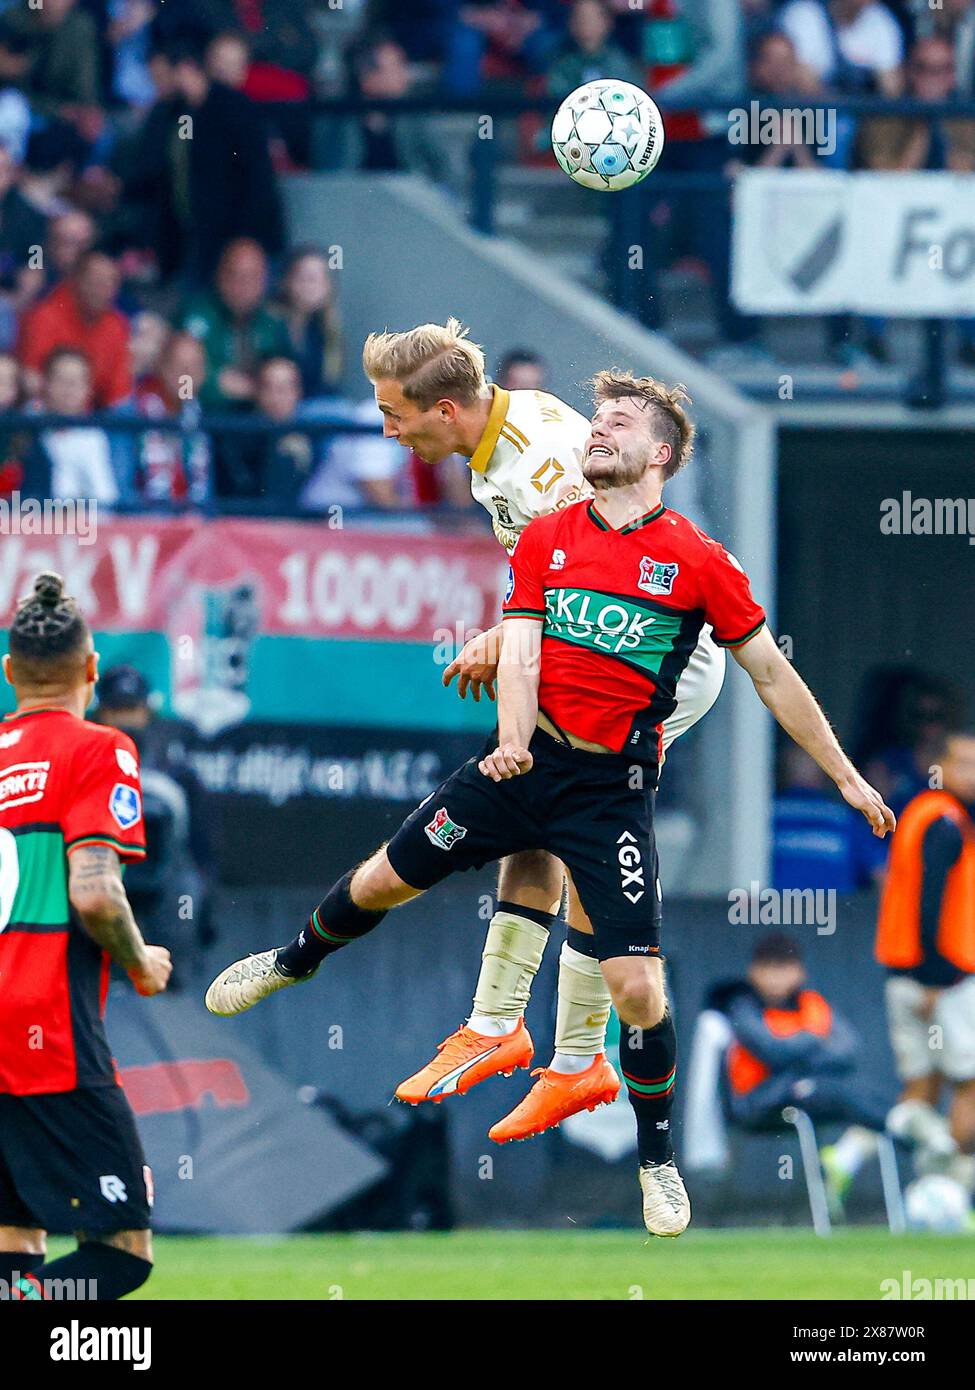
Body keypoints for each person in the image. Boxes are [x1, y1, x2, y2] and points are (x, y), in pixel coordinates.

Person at [205, 371, 895, 1236]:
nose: (597, 432)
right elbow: (522, 649)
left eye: (618, 425)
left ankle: (654, 1161)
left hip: (609, 792)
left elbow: (771, 673)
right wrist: (511, 738)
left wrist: (843, 775)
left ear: (662, 454)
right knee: (383, 880)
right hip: (526, 766)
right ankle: (293, 962)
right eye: (596, 420)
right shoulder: (545, 537)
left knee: (640, 989)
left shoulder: (697, 560)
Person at [354, 320, 723, 1146]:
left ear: (443, 410)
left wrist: (505, 633)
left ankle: (570, 1056)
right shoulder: (499, 444)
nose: (388, 431)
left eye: (392, 413)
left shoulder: (540, 457)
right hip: (579, 648)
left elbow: (612, 562)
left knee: (570, 814)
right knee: (536, 813)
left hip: (650, 662)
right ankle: (523, 1038)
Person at [0, 571, 172, 1301]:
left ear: (10, 673)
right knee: (122, 1250)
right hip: (44, 1025)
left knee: (14, 1240)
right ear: (92, 671)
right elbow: (97, 894)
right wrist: (139, 961)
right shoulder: (98, 749)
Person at [721, 932, 893, 1213]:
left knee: (856, 1094)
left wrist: (798, 1053)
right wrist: (813, 1038)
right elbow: (773, 1051)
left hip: (806, 1091)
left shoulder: (812, 1004)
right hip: (760, 1101)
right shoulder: (743, 1007)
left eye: (784, 968)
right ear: (754, 972)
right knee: (836, 1093)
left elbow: (846, 1051)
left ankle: (864, 1143)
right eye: (768, 969)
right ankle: (896, 1125)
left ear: (799, 972)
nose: (776, 978)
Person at [877, 727, 975, 1178]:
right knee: (969, 1082)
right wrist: (935, 977)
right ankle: (953, 1185)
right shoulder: (947, 819)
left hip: (902, 974)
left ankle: (853, 1154)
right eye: (965, 764)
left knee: (921, 1086)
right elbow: (930, 900)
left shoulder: (918, 811)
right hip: (941, 978)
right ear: (938, 768)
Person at [177, 237, 290, 410]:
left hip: (263, 418)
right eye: (236, 275)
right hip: (205, 416)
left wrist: (255, 387)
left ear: (264, 279)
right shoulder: (197, 314)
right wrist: (213, 382)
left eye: (253, 277)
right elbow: (181, 378)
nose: (244, 285)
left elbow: (291, 375)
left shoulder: (274, 320)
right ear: (220, 275)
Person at [17, 249, 132, 408]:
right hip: (45, 413)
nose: (102, 291)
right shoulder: (45, 316)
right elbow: (31, 380)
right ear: (77, 280)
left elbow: (119, 395)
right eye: (96, 282)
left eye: (109, 283)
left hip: (91, 420)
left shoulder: (117, 326)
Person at [21, 347, 119, 508]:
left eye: (77, 381)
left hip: (75, 525)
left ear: (89, 389)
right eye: (61, 379)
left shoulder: (93, 437)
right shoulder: (23, 428)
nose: (69, 389)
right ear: (44, 383)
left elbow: (104, 498)